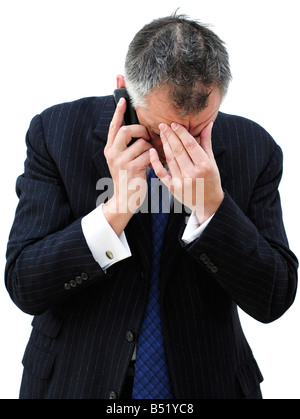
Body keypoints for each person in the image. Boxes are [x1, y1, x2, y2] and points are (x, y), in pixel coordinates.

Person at [5, 14, 298, 400]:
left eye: (197, 129)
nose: (180, 145)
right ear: (123, 90)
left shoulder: (254, 148)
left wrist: (213, 210)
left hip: (207, 382)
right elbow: (25, 285)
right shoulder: (57, 133)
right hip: (75, 379)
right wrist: (115, 210)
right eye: (163, 130)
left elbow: (273, 298)